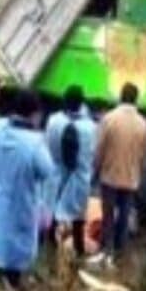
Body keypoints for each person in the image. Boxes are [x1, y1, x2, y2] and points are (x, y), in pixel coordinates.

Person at [0, 88, 55, 290]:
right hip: (21, 201)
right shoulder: (34, 143)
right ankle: (12, 285)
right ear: (34, 114)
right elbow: (47, 170)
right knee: (17, 246)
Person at [91, 83, 146, 265]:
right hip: (131, 177)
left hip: (110, 175)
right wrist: (140, 172)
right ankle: (119, 251)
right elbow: (144, 154)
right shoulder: (143, 124)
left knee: (108, 215)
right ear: (136, 99)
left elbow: (100, 148)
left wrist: (96, 168)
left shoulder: (109, 118)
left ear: (121, 96)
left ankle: (106, 250)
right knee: (124, 215)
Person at [46, 85, 97, 257]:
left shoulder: (53, 120)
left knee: (53, 210)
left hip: (56, 174)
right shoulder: (91, 127)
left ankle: (49, 243)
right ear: (82, 102)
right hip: (80, 178)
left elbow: (47, 145)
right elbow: (94, 153)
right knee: (78, 217)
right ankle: (79, 248)